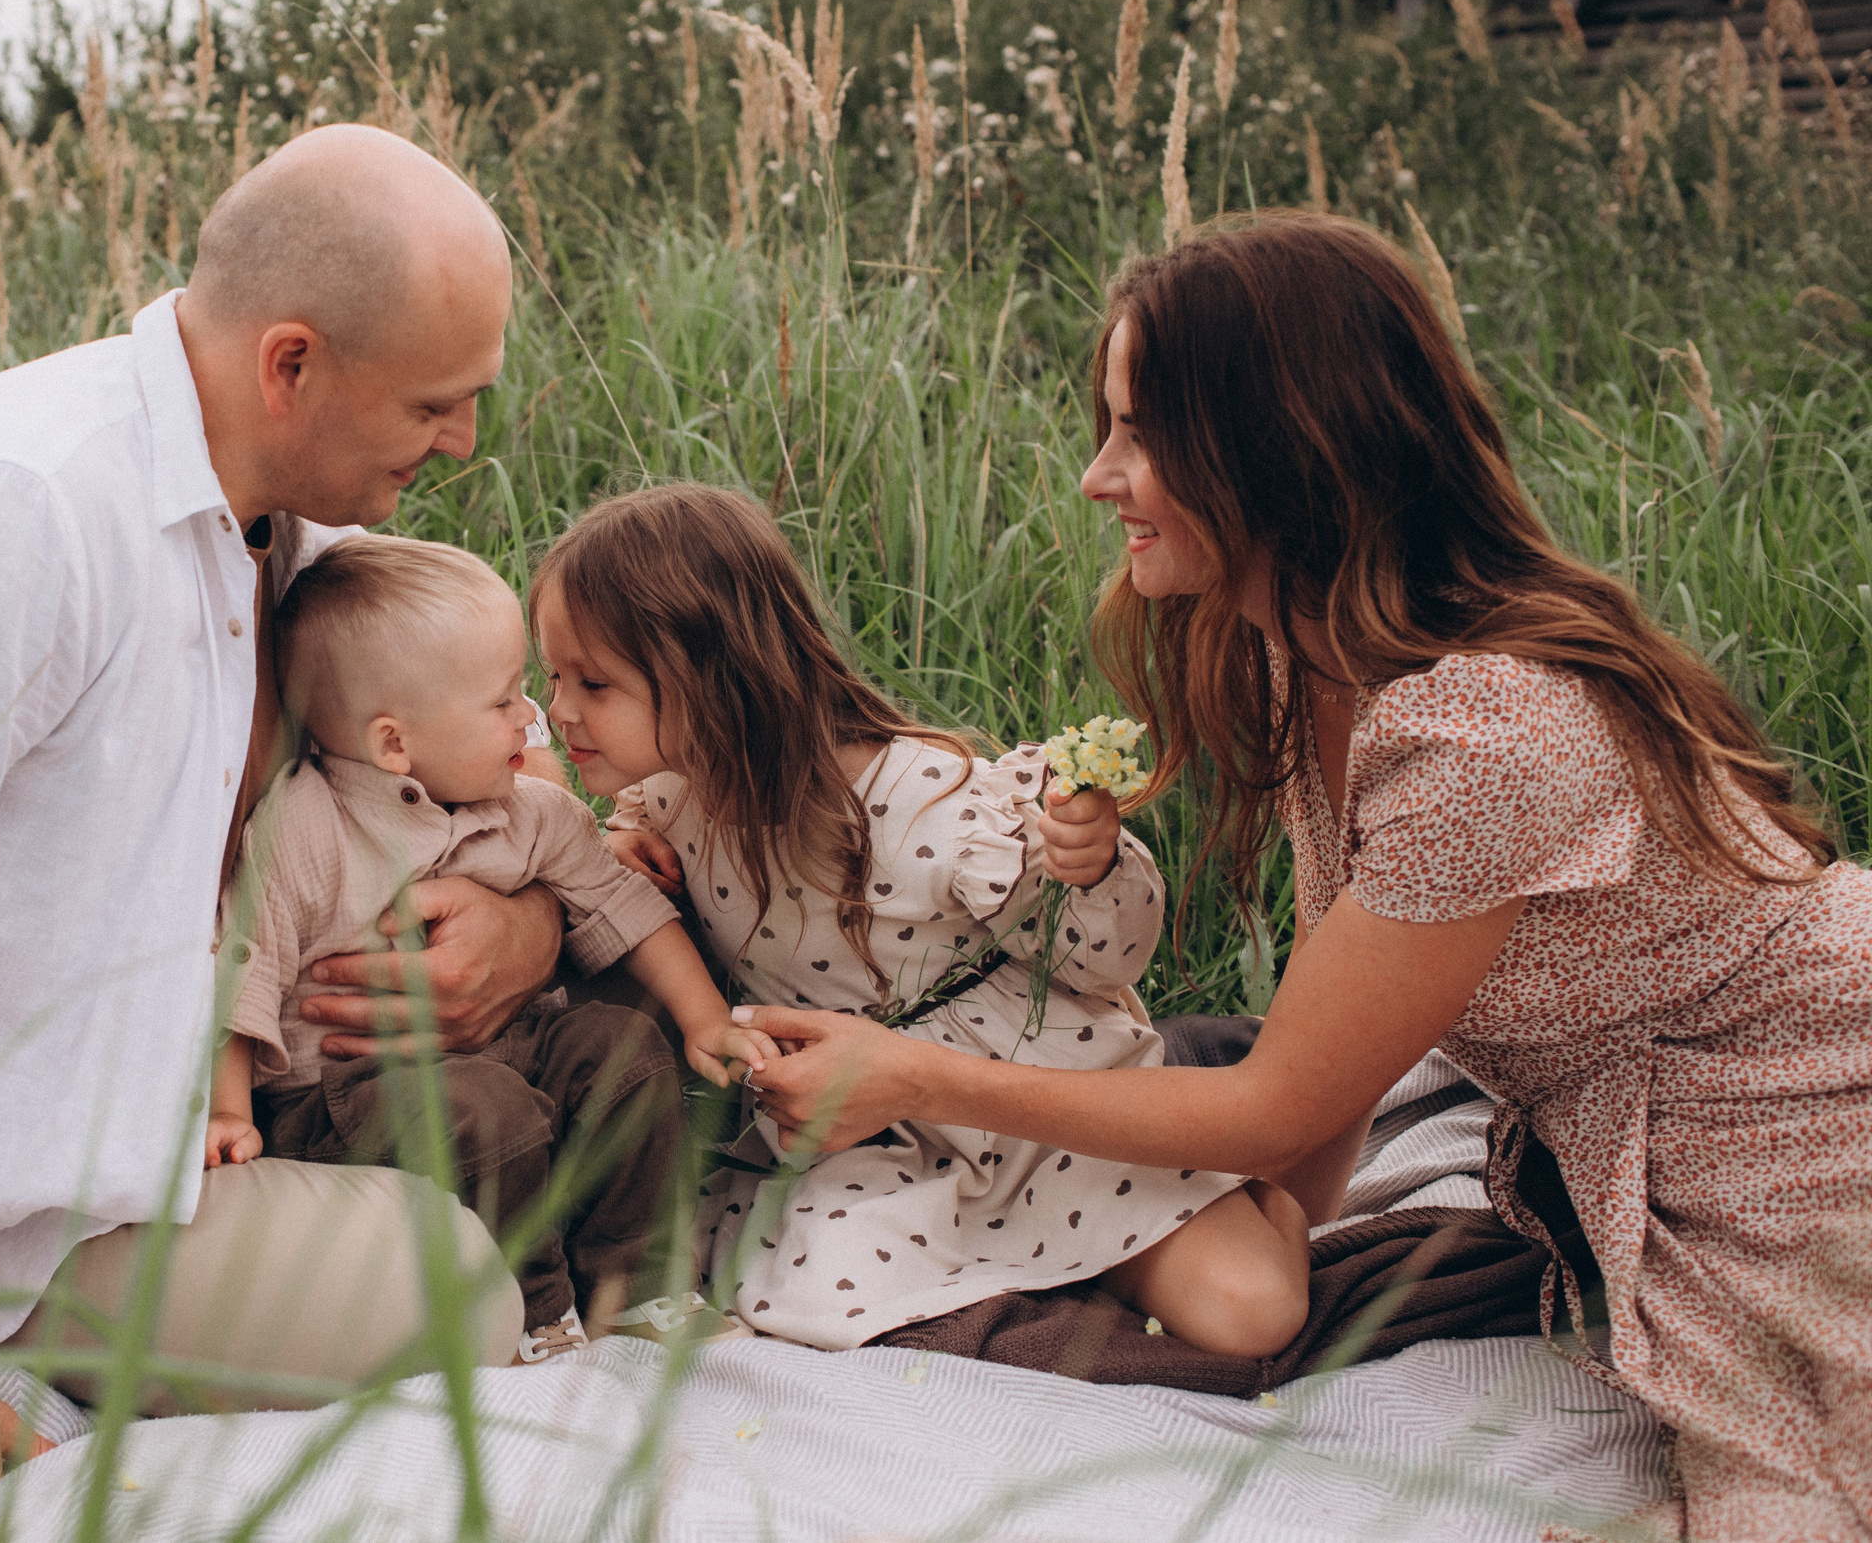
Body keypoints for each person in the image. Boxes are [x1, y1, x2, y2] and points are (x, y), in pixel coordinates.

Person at [730, 212, 1871, 1541]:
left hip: (1804, 1093)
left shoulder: (1487, 732)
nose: (1101, 478)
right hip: (1657, 1107)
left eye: (1140, 435)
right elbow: (1337, 1027)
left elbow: (1276, 1098)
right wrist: (1282, 1254)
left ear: (1277, 447)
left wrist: (914, 1072)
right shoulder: (1307, 654)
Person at [0, 125, 575, 1499]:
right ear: (292, 364)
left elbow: (504, 747)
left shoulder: (294, 518)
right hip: (6, 1212)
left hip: (215, 1114)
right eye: (434, 406)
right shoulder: (9, 508)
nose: (462, 442)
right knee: (451, 1293)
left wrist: (522, 920)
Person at [534, 484, 1311, 1355]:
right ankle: (1037, 1268)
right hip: (878, 1143)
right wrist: (622, 852)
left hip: (1037, 1122)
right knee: (814, 1289)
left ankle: (1252, 1181)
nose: (559, 710)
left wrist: (1089, 867)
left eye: (592, 683)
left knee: (1253, 1312)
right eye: (554, 677)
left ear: (712, 672)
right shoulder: (675, 805)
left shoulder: (920, 806)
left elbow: (1108, 960)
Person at [205, 533, 771, 1359]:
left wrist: (705, 1018)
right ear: (395, 744)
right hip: (341, 1094)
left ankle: (637, 1285)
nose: (532, 718)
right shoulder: (308, 827)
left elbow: (623, 902)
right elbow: (242, 964)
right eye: (505, 701)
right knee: (479, 1108)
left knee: (623, 1051)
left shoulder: (527, 811)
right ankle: (531, 1310)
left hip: (507, 1048)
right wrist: (227, 1108)